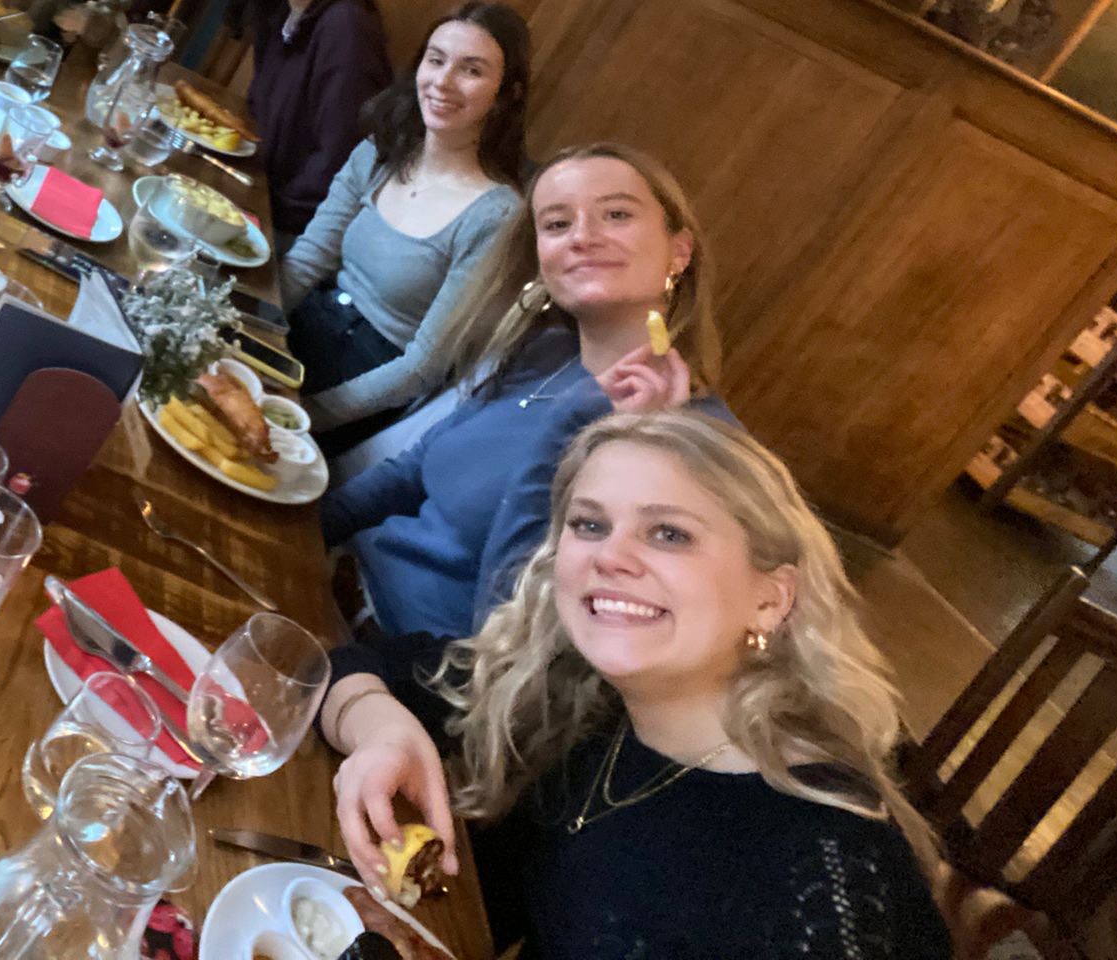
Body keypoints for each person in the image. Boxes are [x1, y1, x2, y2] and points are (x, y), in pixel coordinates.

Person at [321, 410, 951, 958]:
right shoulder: (575, 691)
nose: (610, 556)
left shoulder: (830, 878)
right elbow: (356, 668)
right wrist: (381, 725)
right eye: (590, 524)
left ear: (770, 598)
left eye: (669, 533)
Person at [321, 142, 727, 655]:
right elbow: (411, 471)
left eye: (617, 214)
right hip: (334, 587)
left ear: (680, 252)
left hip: (399, 669)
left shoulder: (692, 440)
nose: (583, 236)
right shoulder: (543, 349)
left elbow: (517, 628)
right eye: (557, 224)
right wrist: (300, 531)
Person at [280, 3, 530, 451]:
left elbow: (423, 366)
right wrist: (244, 328)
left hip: (358, 389)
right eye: (435, 60)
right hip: (300, 331)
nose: (442, 81)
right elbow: (305, 262)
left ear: (506, 95)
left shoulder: (497, 214)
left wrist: (306, 414)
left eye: (471, 70)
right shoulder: (380, 150)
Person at [236, 0, 393, 234]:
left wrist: (258, 218)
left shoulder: (347, 27)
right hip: (255, 193)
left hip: (294, 228)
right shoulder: (281, 6)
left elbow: (338, 159)